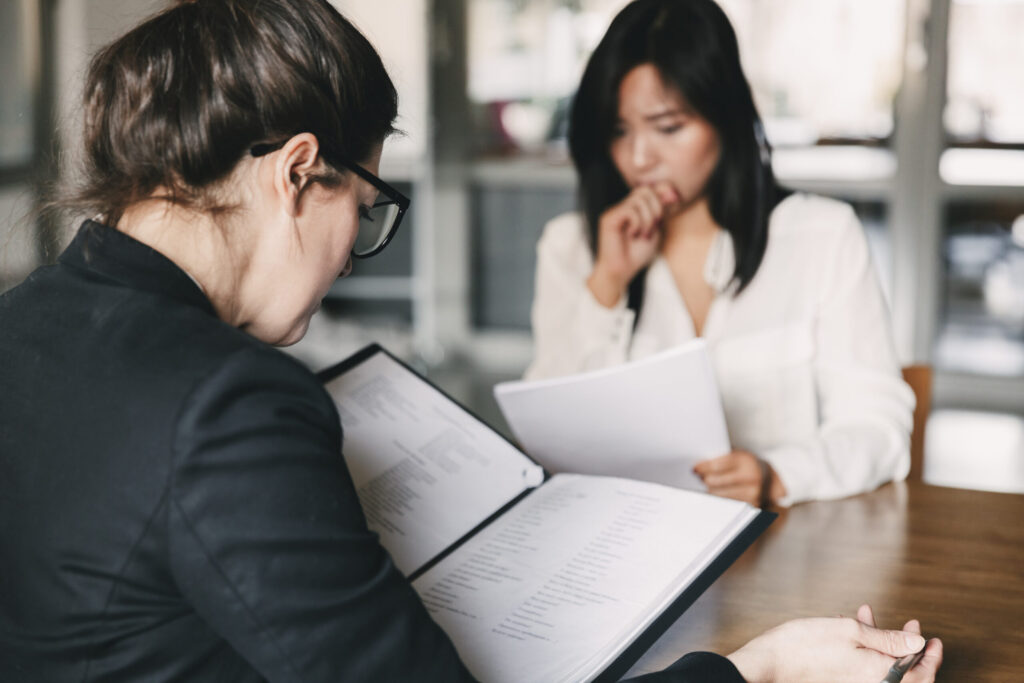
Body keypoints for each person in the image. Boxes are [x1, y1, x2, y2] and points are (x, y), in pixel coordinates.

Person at [0, 0, 940, 681]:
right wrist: (762, 671)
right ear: (297, 172)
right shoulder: (231, 402)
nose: (348, 263)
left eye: (670, 125)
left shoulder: (21, 322)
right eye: (365, 209)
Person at [526, 0, 916, 509]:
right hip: (626, 549)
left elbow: (877, 426)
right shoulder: (571, 247)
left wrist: (778, 475)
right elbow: (549, 441)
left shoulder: (821, 234)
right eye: (620, 132)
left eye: (668, 127)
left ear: (725, 117)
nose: (640, 159)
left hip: (786, 555)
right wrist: (607, 283)